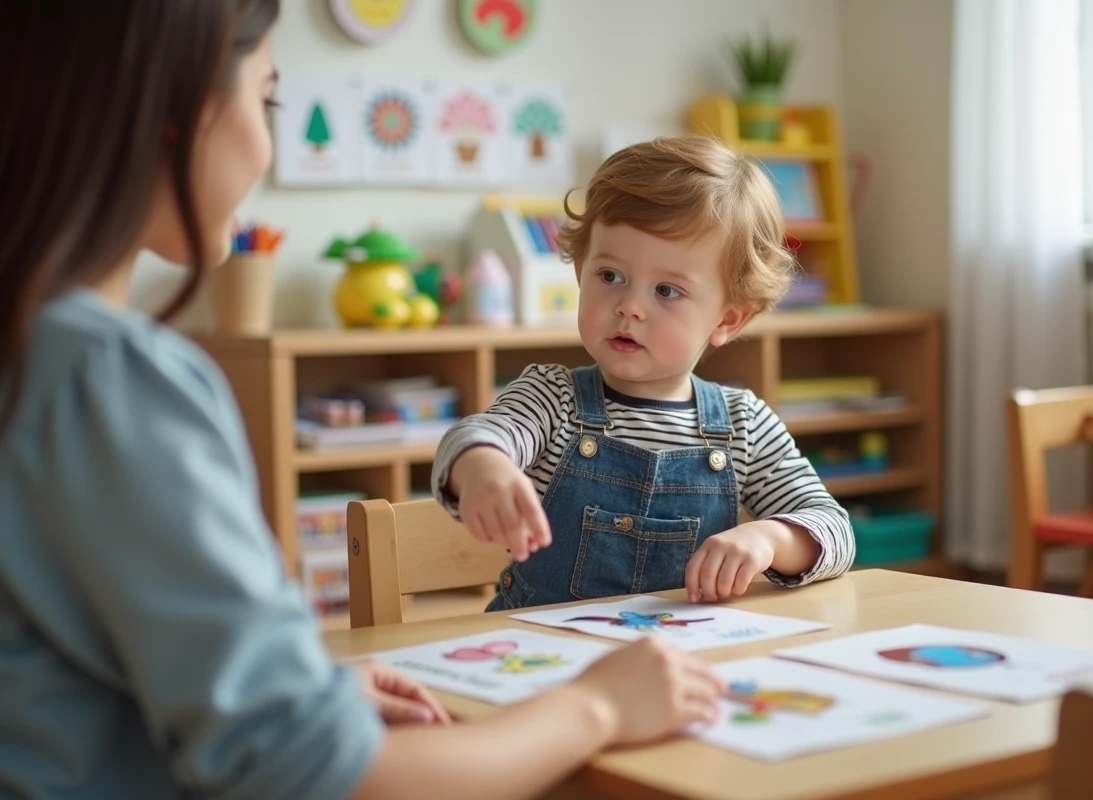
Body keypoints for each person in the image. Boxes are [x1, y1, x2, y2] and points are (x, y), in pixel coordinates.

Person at [0, 3, 723, 799]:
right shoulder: (109, 382)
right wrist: (593, 708)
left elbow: (74, 666)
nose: (268, 143)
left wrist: (300, 693)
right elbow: (320, 776)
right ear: (175, 114)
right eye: (268, 99)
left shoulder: (47, 357)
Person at [434, 136, 856, 611]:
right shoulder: (551, 397)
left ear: (727, 319)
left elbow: (833, 528)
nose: (630, 307)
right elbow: (473, 436)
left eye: (667, 291)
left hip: (682, 663)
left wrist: (769, 538)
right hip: (546, 658)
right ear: (580, 273)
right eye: (610, 276)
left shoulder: (744, 425)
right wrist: (482, 466)